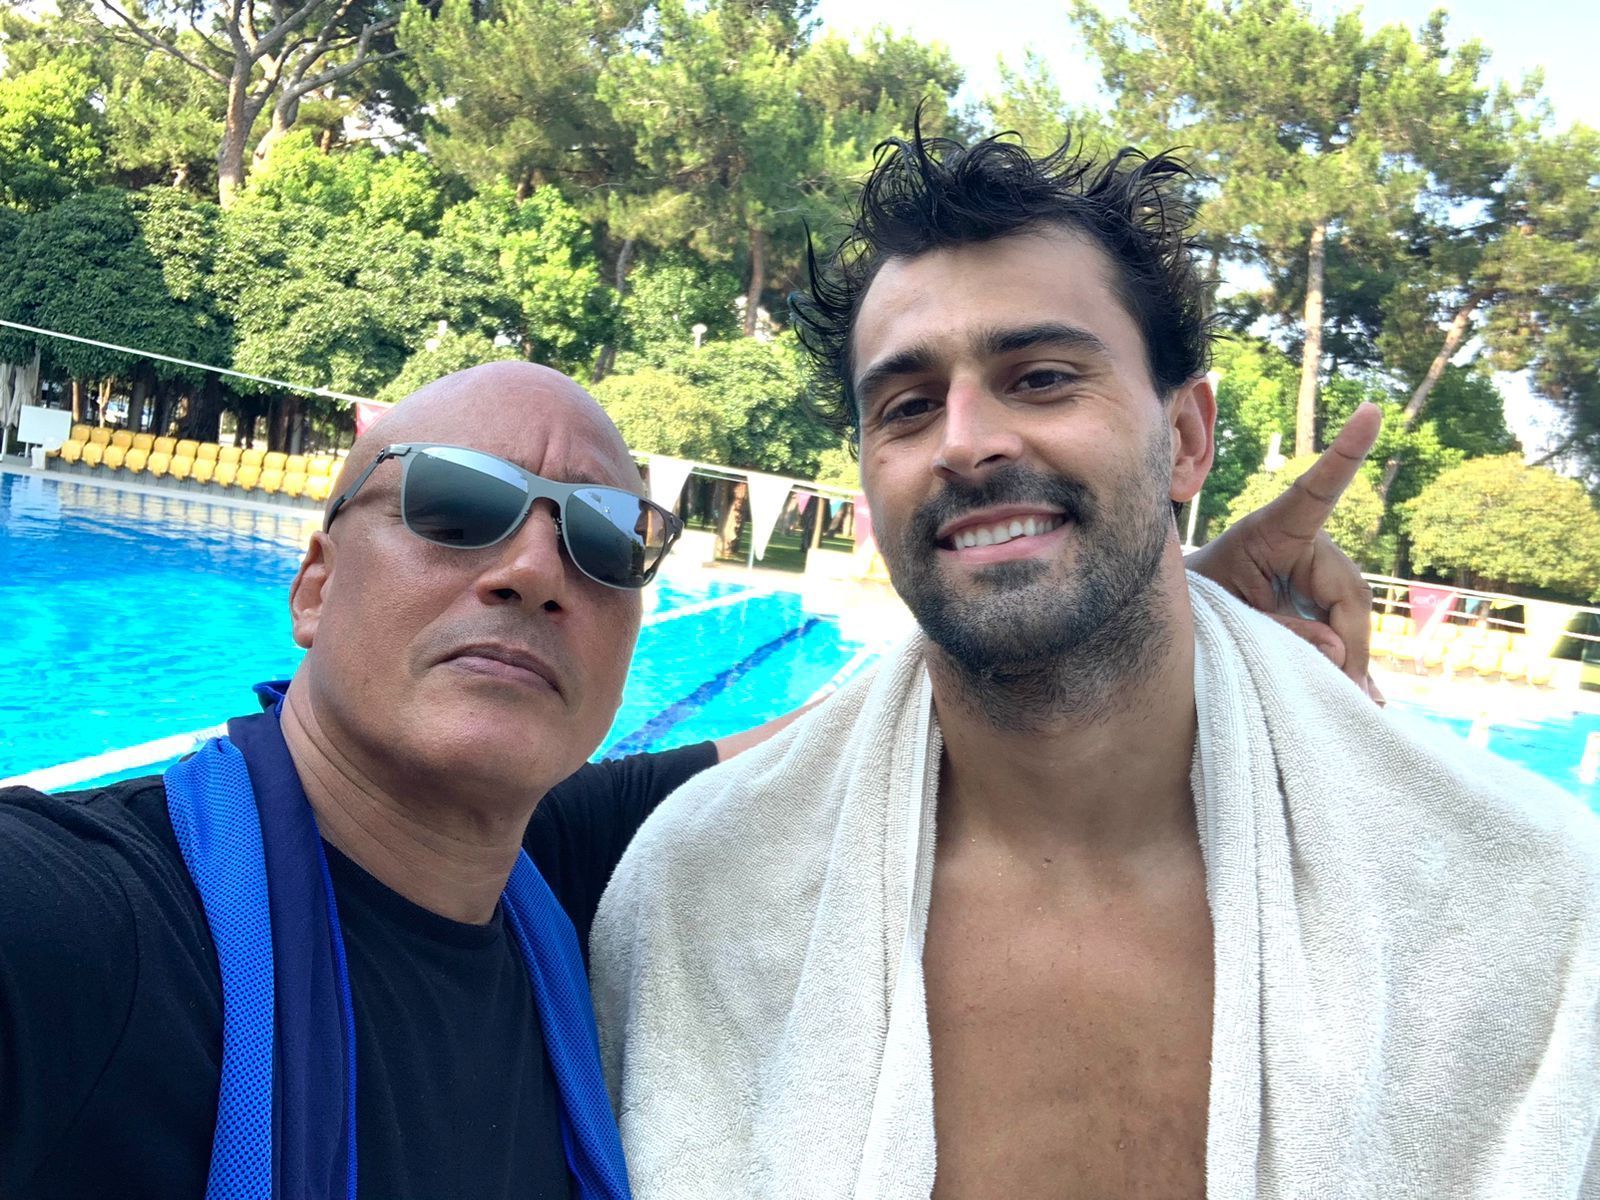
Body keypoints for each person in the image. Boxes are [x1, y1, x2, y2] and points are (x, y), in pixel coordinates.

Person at [1, 363, 1373, 1197]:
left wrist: (1161, 614)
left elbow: (885, 735)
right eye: (454, 505)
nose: (532, 570)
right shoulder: (101, 929)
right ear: (313, 584)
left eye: (604, 541)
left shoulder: (552, 877)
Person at [589, 132, 1600, 1198]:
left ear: (1187, 439)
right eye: (908, 406)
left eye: (1041, 378)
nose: (964, 442)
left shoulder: (1522, 908)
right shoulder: (700, 892)